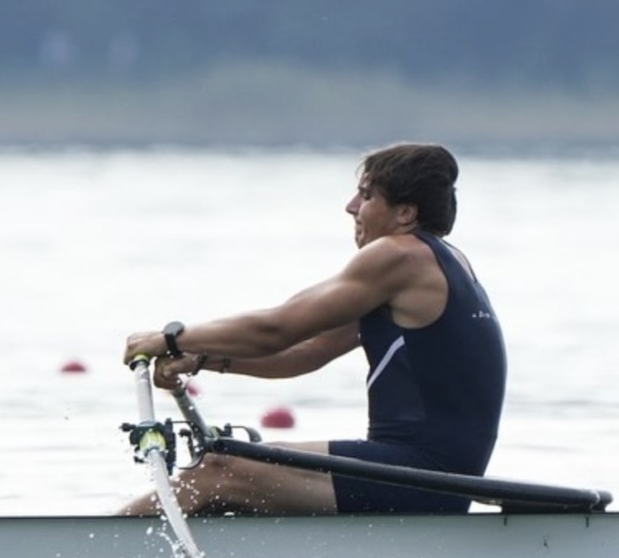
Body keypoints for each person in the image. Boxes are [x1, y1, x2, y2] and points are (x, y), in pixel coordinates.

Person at [121, 143, 505, 516]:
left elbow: (277, 329)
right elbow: (306, 351)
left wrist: (170, 338)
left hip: (419, 476)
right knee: (235, 471)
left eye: (367, 196)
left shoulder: (401, 256)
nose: (351, 206)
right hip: (426, 474)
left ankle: (79, 551)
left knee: (221, 470)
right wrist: (199, 358)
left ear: (405, 213)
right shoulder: (440, 263)